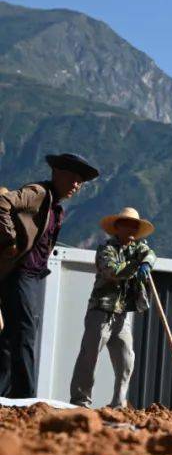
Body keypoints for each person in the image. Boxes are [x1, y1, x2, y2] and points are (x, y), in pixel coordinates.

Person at [0, 153, 99, 398]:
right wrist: (9, 239)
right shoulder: (39, 192)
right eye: (74, 179)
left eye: (80, 182)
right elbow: (2, 204)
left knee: (12, 336)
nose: (76, 185)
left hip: (33, 276)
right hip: (20, 273)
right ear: (58, 174)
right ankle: (25, 396)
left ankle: (4, 393)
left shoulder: (56, 207)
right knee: (25, 331)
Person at [69, 208, 156, 408]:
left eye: (136, 225)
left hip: (121, 313)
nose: (133, 228)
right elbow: (112, 271)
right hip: (101, 310)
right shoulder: (106, 249)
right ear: (118, 227)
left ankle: (119, 402)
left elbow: (149, 254)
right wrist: (136, 266)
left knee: (126, 359)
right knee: (89, 355)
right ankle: (80, 400)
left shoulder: (138, 248)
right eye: (129, 224)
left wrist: (146, 263)